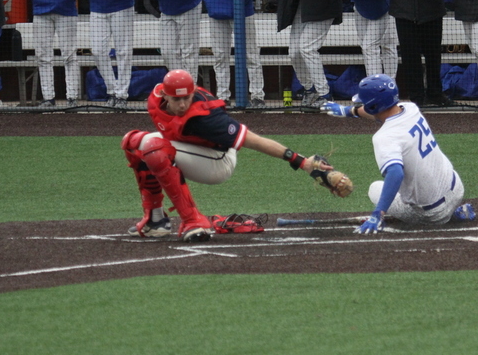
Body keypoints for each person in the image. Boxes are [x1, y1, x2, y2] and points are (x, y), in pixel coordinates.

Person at [121, 69, 331, 241]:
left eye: (187, 97)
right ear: (164, 95)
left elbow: (254, 140)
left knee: (153, 147)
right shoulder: (155, 101)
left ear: (193, 92)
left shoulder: (207, 117)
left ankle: (193, 221)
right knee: (133, 143)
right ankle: (155, 220)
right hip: (193, 149)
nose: (183, 104)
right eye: (177, 99)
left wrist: (301, 161)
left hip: (218, 161)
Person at [319, 74, 475, 234]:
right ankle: (455, 212)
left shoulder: (384, 138)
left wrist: (378, 213)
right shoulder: (411, 108)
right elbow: (383, 112)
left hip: (434, 214)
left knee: (375, 189)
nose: (363, 105)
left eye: (364, 103)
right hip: (457, 190)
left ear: (373, 106)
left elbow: (395, 173)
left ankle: (442, 216)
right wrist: (349, 111)